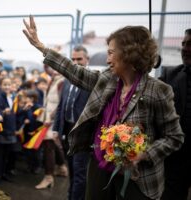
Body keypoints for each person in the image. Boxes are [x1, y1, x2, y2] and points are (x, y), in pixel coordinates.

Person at [23, 15, 184, 200]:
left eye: (111, 52)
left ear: (128, 53)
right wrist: (41, 47)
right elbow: (74, 70)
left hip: (138, 177)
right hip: (99, 162)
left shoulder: (158, 90)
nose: (107, 59)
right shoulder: (108, 79)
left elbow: (174, 137)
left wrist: (143, 154)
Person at [53, 45, 90, 200]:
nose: (75, 62)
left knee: (80, 172)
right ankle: (71, 195)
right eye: (73, 59)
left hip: (83, 136)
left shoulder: (93, 82)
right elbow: (61, 106)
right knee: (72, 171)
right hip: (66, 133)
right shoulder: (67, 81)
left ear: (87, 60)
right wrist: (56, 129)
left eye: (79, 59)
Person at [160, 28, 191, 200]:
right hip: (176, 157)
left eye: (190, 44)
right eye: (183, 44)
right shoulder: (169, 76)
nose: (185, 49)